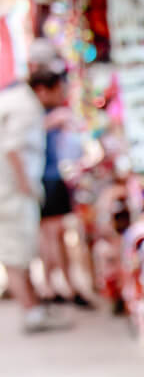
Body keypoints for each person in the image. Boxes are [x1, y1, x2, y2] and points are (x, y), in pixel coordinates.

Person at [0, 74, 70, 332]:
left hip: (10, 191)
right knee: (15, 253)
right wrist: (24, 184)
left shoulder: (19, 101)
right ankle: (31, 312)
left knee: (19, 252)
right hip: (11, 192)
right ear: (43, 89)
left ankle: (34, 308)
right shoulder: (25, 106)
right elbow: (11, 147)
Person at [27, 39, 93, 308]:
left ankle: (58, 284)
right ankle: (59, 285)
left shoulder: (44, 109)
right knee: (51, 233)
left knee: (53, 233)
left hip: (51, 176)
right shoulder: (34, 110)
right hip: (46, 177)